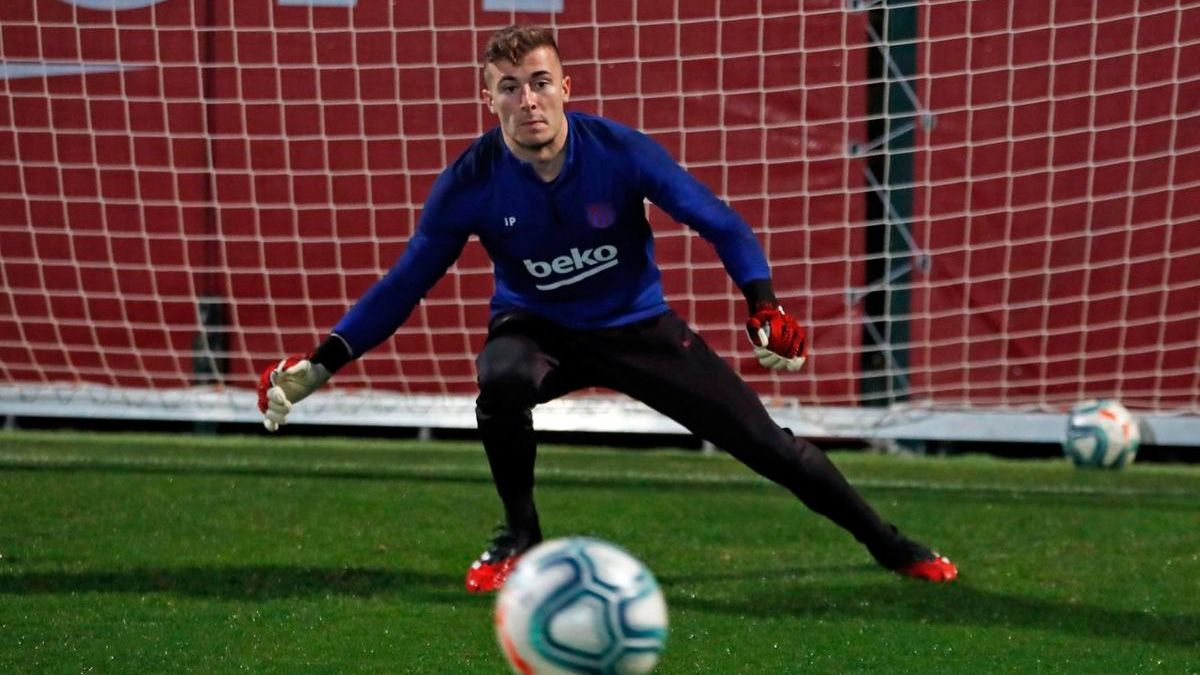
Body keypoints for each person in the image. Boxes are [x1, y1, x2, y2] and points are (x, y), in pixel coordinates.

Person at [256, 24, 957, 592]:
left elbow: (721, 221)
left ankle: (887, 542)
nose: (527, 99)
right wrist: (322, 363)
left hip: (638, 328)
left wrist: (762, 304)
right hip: (537, 330)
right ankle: (520, 532)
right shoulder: (467, 183)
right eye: (509, 87)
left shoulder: (620, 152)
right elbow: (403, 284)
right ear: (488, 98)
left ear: (565, 87)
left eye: (538, 82)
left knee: (771, 446)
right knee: (499, 379)